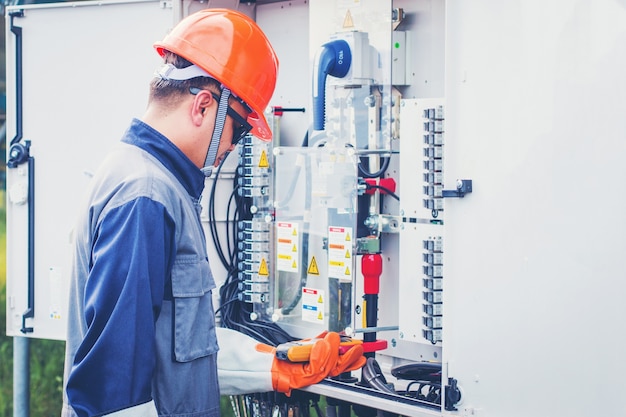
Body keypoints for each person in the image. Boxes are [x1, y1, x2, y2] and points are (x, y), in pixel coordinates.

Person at [61, 8, 365, 417]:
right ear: (204, 106)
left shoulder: (153, 184)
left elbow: (175, 356)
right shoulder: (145, 196)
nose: (233, 149)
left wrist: (274, 365)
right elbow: (115, 390)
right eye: (240, 129)